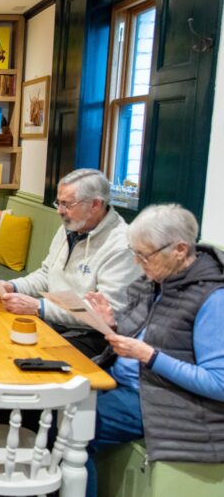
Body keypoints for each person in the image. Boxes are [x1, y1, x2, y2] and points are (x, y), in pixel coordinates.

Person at [84, 204, 224, 497]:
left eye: (144, 256)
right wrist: (111, 322)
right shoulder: (157, 281)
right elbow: (147, 335)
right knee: (58, 401)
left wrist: (150, 356)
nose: (138, 263)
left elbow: (219, 383)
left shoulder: (213, 299)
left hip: (166, 403)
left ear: (180, 249)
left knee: (73, 426)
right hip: (124, 385)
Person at [0, 169, 141, 357]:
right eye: (59, 202)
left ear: (96, 205)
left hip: (92, 337)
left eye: (67, 204)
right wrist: (13, 286)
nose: (59, 211)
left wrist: (39, 307)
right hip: (53, 322)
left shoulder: (122, 245)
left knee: (19, 357)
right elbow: (46, 275)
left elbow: (106, 313)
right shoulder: (70, 227)